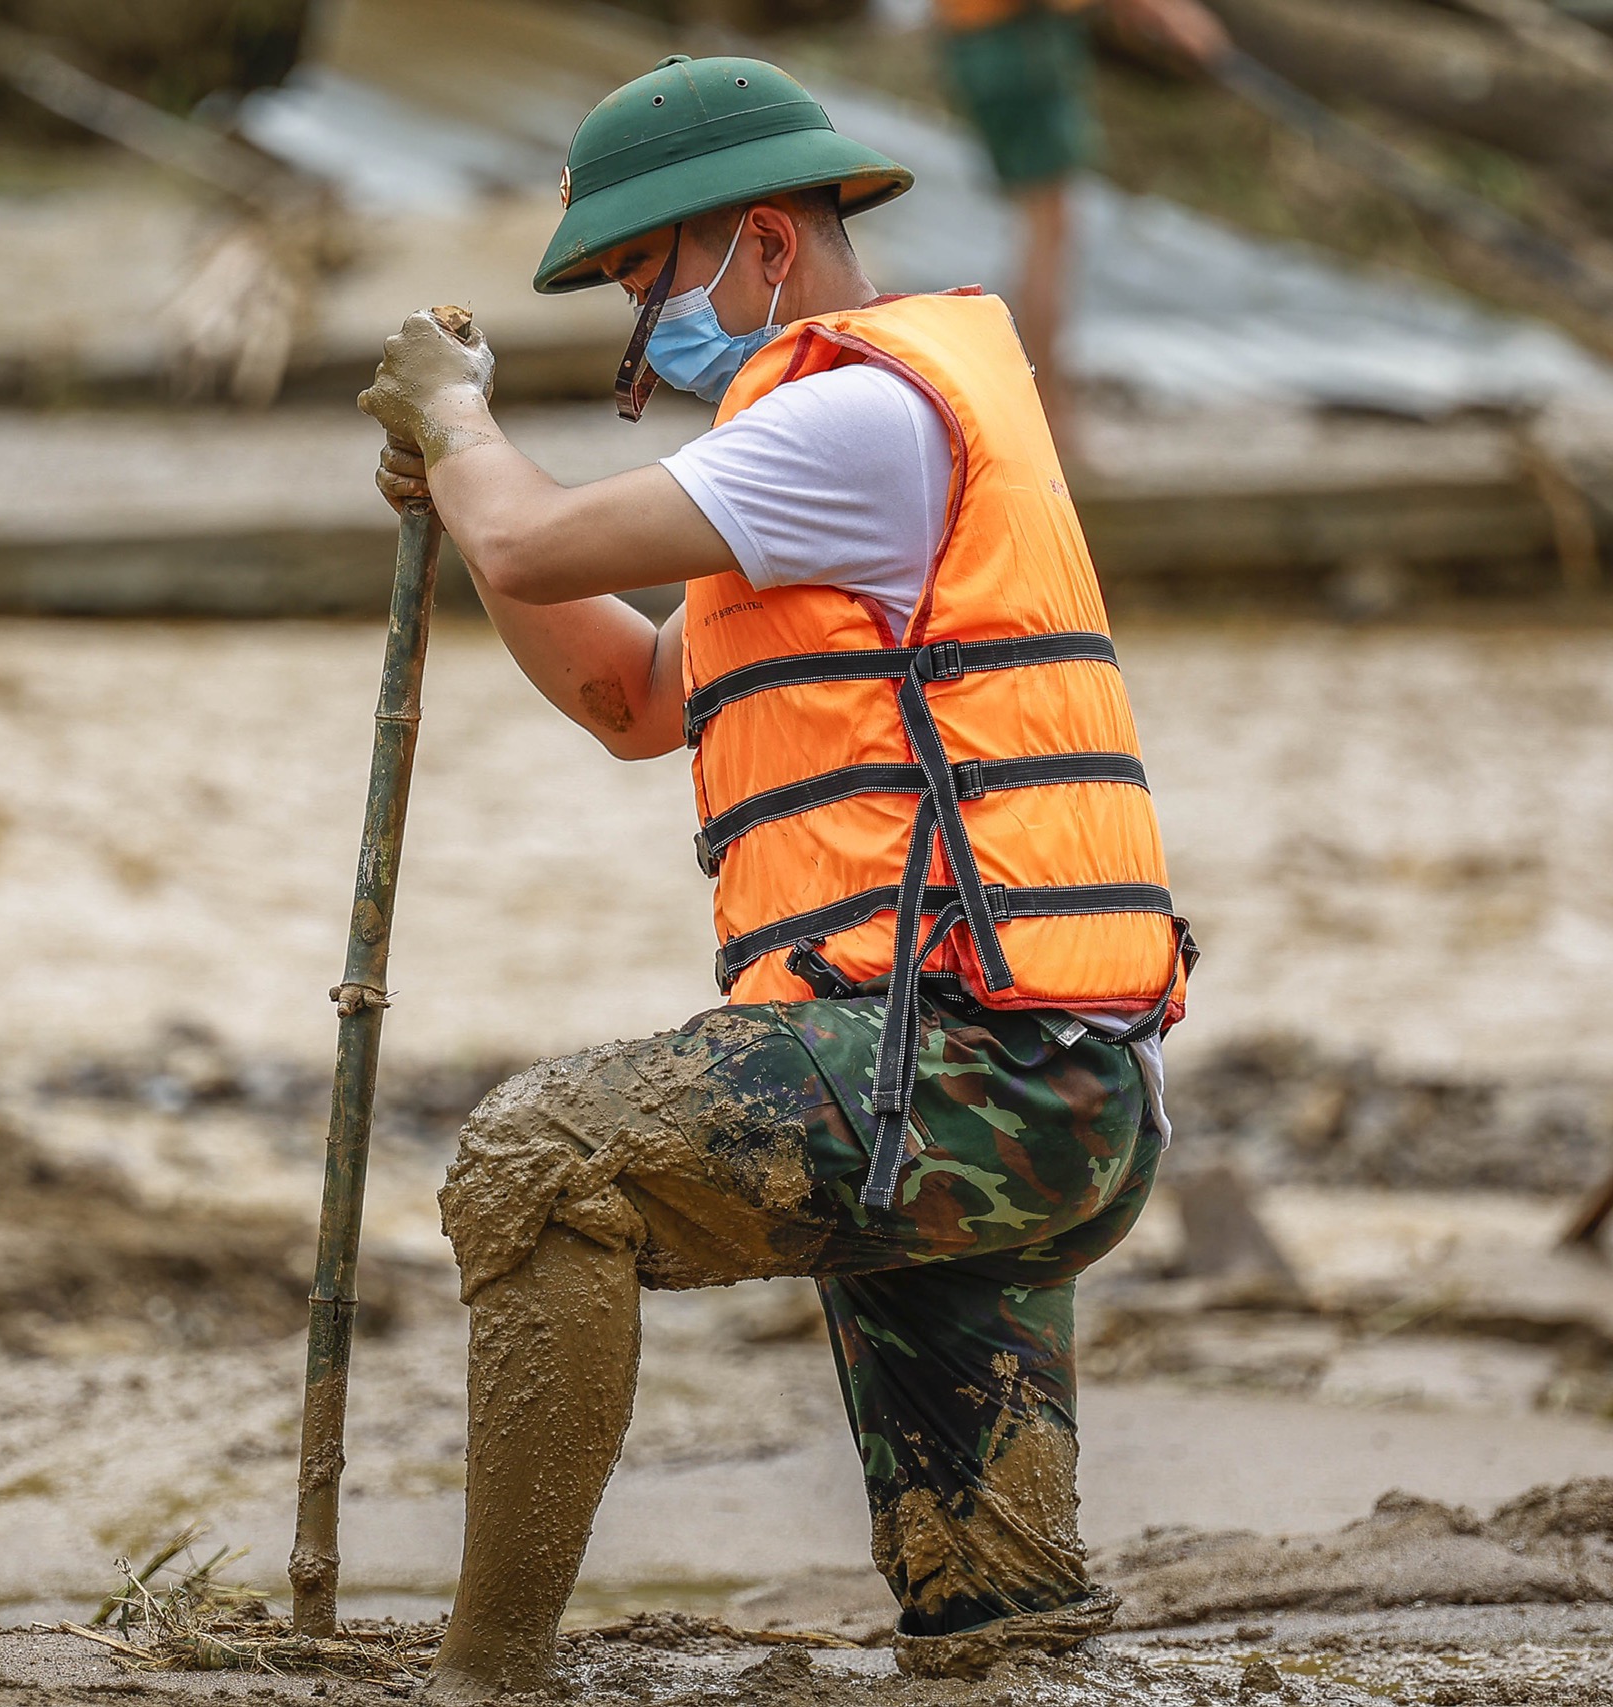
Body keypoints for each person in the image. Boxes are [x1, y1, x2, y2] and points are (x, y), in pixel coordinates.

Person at [356, 54, 1192, 1698]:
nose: (633, 320)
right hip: (1022, 1085)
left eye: (640, 277)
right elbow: (627, 696)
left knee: (540, 1163)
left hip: (957, 1071)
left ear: (759, 242)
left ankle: (487, 1673)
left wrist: (460, 433)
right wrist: (463, 496)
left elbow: (532, 542)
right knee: (994, 1626)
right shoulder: (839, 441)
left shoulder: (857, 418)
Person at [932, 0, 1231, 438]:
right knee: (1048, 229)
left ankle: (1045, 413)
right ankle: (1048, 421)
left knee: (1046, 229)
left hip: (1004, 37)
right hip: (1017, 41)